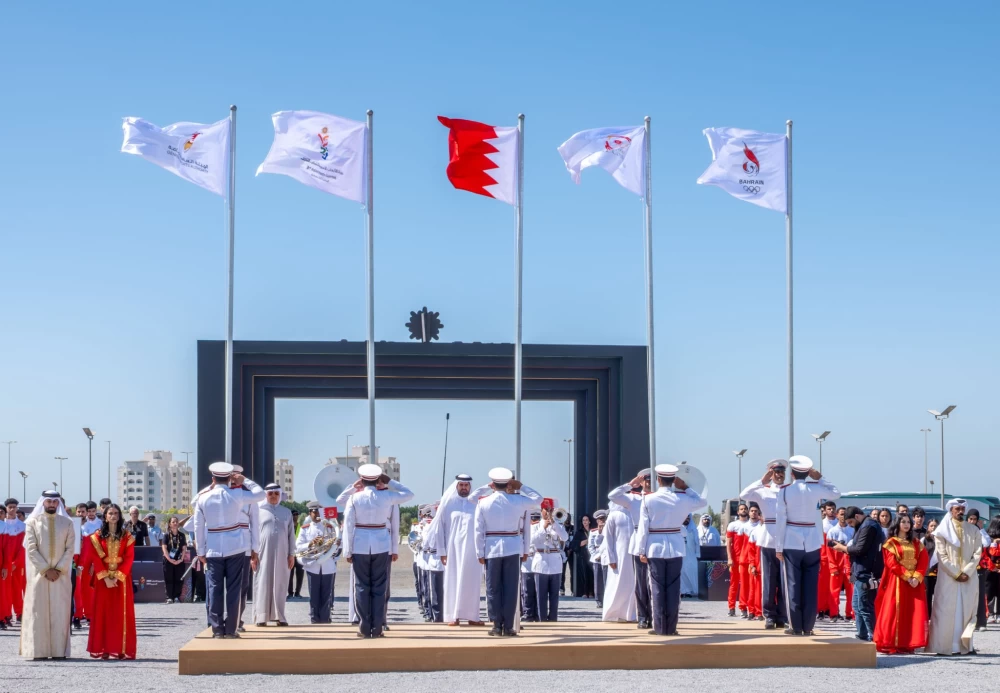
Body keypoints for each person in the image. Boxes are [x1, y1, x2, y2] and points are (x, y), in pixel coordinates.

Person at [192, 462, 266, 639]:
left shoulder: (203, 497)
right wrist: (245, 480)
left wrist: (200, 551)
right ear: (230, 478)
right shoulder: (238, 494)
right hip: (236, 548)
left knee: (215, 589)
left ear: (213, 479)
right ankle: (231, 629)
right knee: (234, 590)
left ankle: (217, 630)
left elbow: (198, 526)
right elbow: (261, 494)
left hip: (213, 548)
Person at [343, 464, 414, 638]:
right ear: (378, 479)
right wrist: (390, 482)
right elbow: (409, 494)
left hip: (360, 545)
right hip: (382, 544)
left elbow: (348, 525)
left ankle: (365, 627)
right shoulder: (387, 496)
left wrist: (348, 551)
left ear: (362, 479)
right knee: (379, 587)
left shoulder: (354, 498)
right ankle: (378, 627)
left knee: (361, 587)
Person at [636, 464, 707, 636]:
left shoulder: (648, 499)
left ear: (658, 480)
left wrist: (641, 550)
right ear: (674, 480)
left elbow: (643, 527)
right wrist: (686, 488)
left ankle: (659, 627)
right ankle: (671, 627)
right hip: (676, 546)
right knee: (674, 590)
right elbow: (702, 501)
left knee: (657, 589)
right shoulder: (682, 499)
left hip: (655, 547)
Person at [774, 456, 840, 636]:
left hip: (791, 540)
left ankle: (795, 626)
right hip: (812, 541)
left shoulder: (785, 491)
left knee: (792, 585)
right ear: (807, 472)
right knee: (811, 586)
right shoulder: (815, 487)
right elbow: (836, 493)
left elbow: (781, 520)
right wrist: (820, 477)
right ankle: (808, 626)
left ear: (792, 474)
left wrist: (778, 547)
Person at [473, 467, 542, 637]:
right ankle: (509, 626)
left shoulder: (484, 502)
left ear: (492, 484)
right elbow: (538, 499)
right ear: (509, 483)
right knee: (511, 588)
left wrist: (479, 553)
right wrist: (522, 486)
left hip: (491, 548)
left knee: (493, 588)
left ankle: (497, 625)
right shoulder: (518, 501)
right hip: (513, 547)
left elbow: (478, 530)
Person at [20, 491, 75, 659]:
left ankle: (59, 652)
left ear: (58, 503)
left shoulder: (67, 523)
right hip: (39, 575)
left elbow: (70, 548)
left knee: (60, 611)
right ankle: (39, 651)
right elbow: (31, 548)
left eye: (54, 501)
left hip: (61, 576)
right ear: (43, 502)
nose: (51, 504)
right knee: (39, 612)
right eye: (48, 501)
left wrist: (58, 569)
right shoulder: (32, 522)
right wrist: (46, 569)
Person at [927, 498, 983, 655]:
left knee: (967, 610)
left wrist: (967, 572)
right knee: (945, 611)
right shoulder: (941, 531)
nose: (960, 512)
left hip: (969, 578)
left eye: (962, 509)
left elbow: (977, 554)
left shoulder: (973, 530)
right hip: (948, 578)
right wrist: (957, 573)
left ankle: (965, 646)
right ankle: (944, 647)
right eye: (957, 509)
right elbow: (941, 556)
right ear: (951, 510)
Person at [433, 473, 490, 626]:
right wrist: (442, 552)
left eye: (466, 485)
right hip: (453, 550)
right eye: (461, 485)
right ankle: (454, 616)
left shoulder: (477, 503)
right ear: (457, 486)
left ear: (470, 487)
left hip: (473, 551)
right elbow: (440, 528)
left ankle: (472, 616)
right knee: (453, 581)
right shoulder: (448, 504)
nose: (464, 488)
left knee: (472, 582)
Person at [83, 503, 137, 660]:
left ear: (119, 516)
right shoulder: (97, 536)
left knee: (121, 613)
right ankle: (104, 648)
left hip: (122, 580)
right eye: (110, 513)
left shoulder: (127, 536)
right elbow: (95, 558)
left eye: (116, 513)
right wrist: (106, 578)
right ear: (105, 517)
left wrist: (119, 576)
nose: (113, 516)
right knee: (103, 613)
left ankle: (121, 648)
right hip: (103, 580)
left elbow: (129, 558)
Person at [741, 460, 789, 628]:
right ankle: (769, 615)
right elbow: (744, 495)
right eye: (775, 472)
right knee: (768, 581)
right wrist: (762, 480)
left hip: (786, 540)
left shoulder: (789, 490)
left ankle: (782, 615)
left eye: (781, 471)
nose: (779, 474)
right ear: (771, 473)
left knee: (784, 581)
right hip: (768, 539)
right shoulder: (763, 491)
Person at [873, 513, 928, 654]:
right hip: (897, 581)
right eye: (903, 521)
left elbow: (923, 560)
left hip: (915, 583)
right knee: (895, 611)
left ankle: (907, 643)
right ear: (897, 524)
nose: (906, 524)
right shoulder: (891, 543)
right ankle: (891, 643)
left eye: (908, 522)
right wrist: (908, 577)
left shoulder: (916, 543)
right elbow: (891, 563)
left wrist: (917, 577)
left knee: (912, 612)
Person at [831, 506, 883, 642]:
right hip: (860, 571)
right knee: (857, 606)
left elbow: (860, 549)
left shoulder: (868, 526)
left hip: (866, 572)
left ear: (857, 516)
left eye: (850, 523)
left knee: (865, 607)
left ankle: (874, 637)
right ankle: (862, 635)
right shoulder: (865, 525)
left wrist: (843, 548)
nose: (850, 526)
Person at [608, 471, 652, 628]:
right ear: (641, 482)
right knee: (641, 583)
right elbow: (613, 496)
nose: (649, 482)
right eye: (646, 479)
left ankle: (657, 615)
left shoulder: (661, 498)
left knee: (655, 584)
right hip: (638, 541)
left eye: (652, 479)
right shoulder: (634, 499)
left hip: (656, 541)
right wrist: (629, 485)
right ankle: (643, 616)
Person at [253, 484, 295, 627]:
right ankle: (261, 617)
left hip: (283, 554)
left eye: (276, 494)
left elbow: (291, 535)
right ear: (265, 495)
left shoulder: (287, 512)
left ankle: (280, 616)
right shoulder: (258, 511)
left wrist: (291, 554)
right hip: (262, 554)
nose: (273, 496)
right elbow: (252, 535)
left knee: (281, 582)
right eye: (270, 493)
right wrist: (252, 554)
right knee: (262, 582)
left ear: (280, 495)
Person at [296, 501, 338, 624]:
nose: (317, 514)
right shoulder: (305, 529)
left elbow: (338, 548)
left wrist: (336, 546)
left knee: (326, 594)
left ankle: (325, 618)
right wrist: (310, 543)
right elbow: (298, 547)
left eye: (319, 511)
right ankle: (314, 619)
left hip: (328, 565)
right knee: (314, 595)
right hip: (312, 565)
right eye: (314, 512)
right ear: (310, 513)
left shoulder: (331, 528)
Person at [232, 464, 260, 633]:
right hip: (224, 545)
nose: (234, 479)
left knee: (242, 586)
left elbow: (255, 525)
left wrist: (254, 550)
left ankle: (237, 619)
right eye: (231, 475)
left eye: (237, 476)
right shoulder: (221, 493)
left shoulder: (249, 497)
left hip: (243, 546)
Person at [531, 503, 568, 622]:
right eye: (546, 509)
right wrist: (543, 528)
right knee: (541, 596)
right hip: (541, 560)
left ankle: (553, 620)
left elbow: (565, 537)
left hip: (555, 562)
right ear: (541, 511)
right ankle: (542, 620)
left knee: (554, 596)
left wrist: (554, 525)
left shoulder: (558, 525)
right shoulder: (536, 526)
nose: (548, 512)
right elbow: (533, 540)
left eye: (550, 509)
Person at [602, 503, 636, 622]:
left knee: (633, 584)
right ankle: (614, 613)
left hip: (633, 554)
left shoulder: (634, 513)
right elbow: (608, 538)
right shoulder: (613, 515)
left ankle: (632, 614)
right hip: (618, 556)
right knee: (617, 585)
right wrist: (611, 558)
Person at [827, 507, 855, 622]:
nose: (843, 516)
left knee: (851, 591)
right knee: (834, 591)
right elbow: (828, 551)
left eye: (845, 514)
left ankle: (850, 614)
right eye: (842, 514)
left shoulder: (853, 530)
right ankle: (833, 614)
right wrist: (833, 566)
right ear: (837, 515)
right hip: (837, 564)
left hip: (849, 565)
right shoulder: (832, 531)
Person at [3, 498, 27, 628]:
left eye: (14, 507)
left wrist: (15, 562)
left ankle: (19, 613)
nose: (12, 509)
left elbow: (24, 547)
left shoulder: (23, 526)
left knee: (17, 589)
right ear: (6, 508)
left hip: (18, 563)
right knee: (5, 590)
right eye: (10, 507)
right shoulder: (3, 525)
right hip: (5, 563)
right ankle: (6, 614)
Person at [966, 508, 990, 631]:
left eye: (975, 519)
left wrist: (981, 529)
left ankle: (981, 622)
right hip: (966, 567)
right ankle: (968, 622)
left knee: (980, 595)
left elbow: (986, 543)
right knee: (967, 595)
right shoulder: (963, 531)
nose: (972, 521)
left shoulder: (979, 532)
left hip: (978, 567)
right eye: (970, 519)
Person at [725, 501, 750, 618]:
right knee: (734, 584)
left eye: (745, 508)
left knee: (746, 585)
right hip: (735, 559)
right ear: (737, 511)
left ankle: (744, 608)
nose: (743, 510)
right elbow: (728, 543)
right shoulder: (732, 525)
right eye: (741, 509)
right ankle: (731, 607)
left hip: (747, 559)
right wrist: (729, 558)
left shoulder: (751, 525)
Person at [742, 503, 763, 619]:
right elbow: (751, 551)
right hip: (756, 564)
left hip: (768, 564)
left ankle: (763, 611)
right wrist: (753, 564)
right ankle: (753, 611)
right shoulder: (755, 532)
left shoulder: (772, 531)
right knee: (753, 588)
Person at [160, 515, 188, 604]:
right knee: (169, 579)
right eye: (173, 522)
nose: (175, 523)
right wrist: (170, 559)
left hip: (179, 560)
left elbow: (184, 548)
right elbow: (164, 548)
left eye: (176, 522)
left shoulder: (182, 535)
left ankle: (176, 596)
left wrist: (181, 559)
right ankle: (169, 597)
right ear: (169, 524)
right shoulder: (166, 535)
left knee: (179, 579)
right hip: (168, 561)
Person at [817, 500, 838, 620]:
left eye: (833, 509)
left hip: (835, 559)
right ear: (824, 510)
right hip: (823, 559)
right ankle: (821, 609)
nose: (831, 511)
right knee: (822, 586)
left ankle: (832, 609)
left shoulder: (838, 524)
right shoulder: (820, 524)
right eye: (829, 509)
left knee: (834, 587)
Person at [520, 511, 539, 622]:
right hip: (528, 560)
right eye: (534, 519)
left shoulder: (540, 528)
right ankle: (528, 612)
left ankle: (537, 613)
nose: (535, 521)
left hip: (538, 559)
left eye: (537, 519)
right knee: (527, 590)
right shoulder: (526, 529)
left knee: (538, 590)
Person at [570, 515, 594, 599]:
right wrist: (584, 542)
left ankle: (591, 592)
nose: (585, 522)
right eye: (583, 520)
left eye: (586, 520)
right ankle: (585, 592)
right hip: (583, 555)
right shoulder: (579, 532)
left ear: (589, 521)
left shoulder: (593, 530)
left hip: (593, 555)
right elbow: (573, 544)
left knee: (592, 574)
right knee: (584, 574)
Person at [589, 509, 608, 608]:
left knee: (607, 580)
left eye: (603, 518)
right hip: (597, 558)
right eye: (600, 519)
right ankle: (599, 600)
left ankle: (607, 598)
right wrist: (596, 556)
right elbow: (591, 547)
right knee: (598, 581)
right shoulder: (593, 532)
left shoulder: (609, 530)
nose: (602, 521)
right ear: (596, 521)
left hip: (607, 557)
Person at [984, 516, 1000, 624]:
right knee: (989, 593)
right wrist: (993, 567)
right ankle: (989, 613)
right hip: (990, 570)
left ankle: (999, 613)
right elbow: (988, 554)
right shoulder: (987, 538)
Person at [680, 514, 700, 598]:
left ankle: (693, 591)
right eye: (685, 517)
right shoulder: (679, 528)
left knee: (692, 572)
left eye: (688, 518)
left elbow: (697, 543)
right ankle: (683, 591)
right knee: (682, 573)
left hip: (691, 556)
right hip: (681, 555)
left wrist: (698, 554)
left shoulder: (693, 529)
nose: (686, 519)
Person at [287, 509, 304, 599]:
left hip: (300, 554)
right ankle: (290, 593)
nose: (295, 516)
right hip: (290, 553)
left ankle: (297, 592)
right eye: (294, 514)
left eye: (297, 514)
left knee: (300, 574)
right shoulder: (288, 527)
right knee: (289, 574)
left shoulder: (301, 527)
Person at [924, 518, 939, 614]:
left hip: (940, 571)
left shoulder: (942, 539)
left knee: (939, 597)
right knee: (927, 596)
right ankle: (928, 616)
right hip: (927, 572)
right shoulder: (924, 540)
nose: (933, 528)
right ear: (928, 527)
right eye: (931, 526)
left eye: (935, 526)